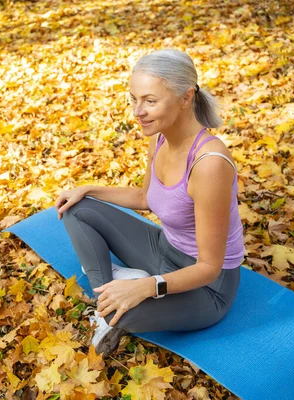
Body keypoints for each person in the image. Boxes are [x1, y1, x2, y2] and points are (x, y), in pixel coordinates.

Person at [54, 49, 245, 357]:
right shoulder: (159, 138)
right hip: (163, 248)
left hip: (207, 287)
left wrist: (148, 287)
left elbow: (210, 268)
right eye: (133, 99)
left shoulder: (209, 164)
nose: (137, 111)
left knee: (123, 315)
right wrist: (87, 189)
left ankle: (121, 295)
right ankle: (111, 295)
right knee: (77, 207)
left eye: (150, 101)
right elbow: (145, 198)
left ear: (186, 97)